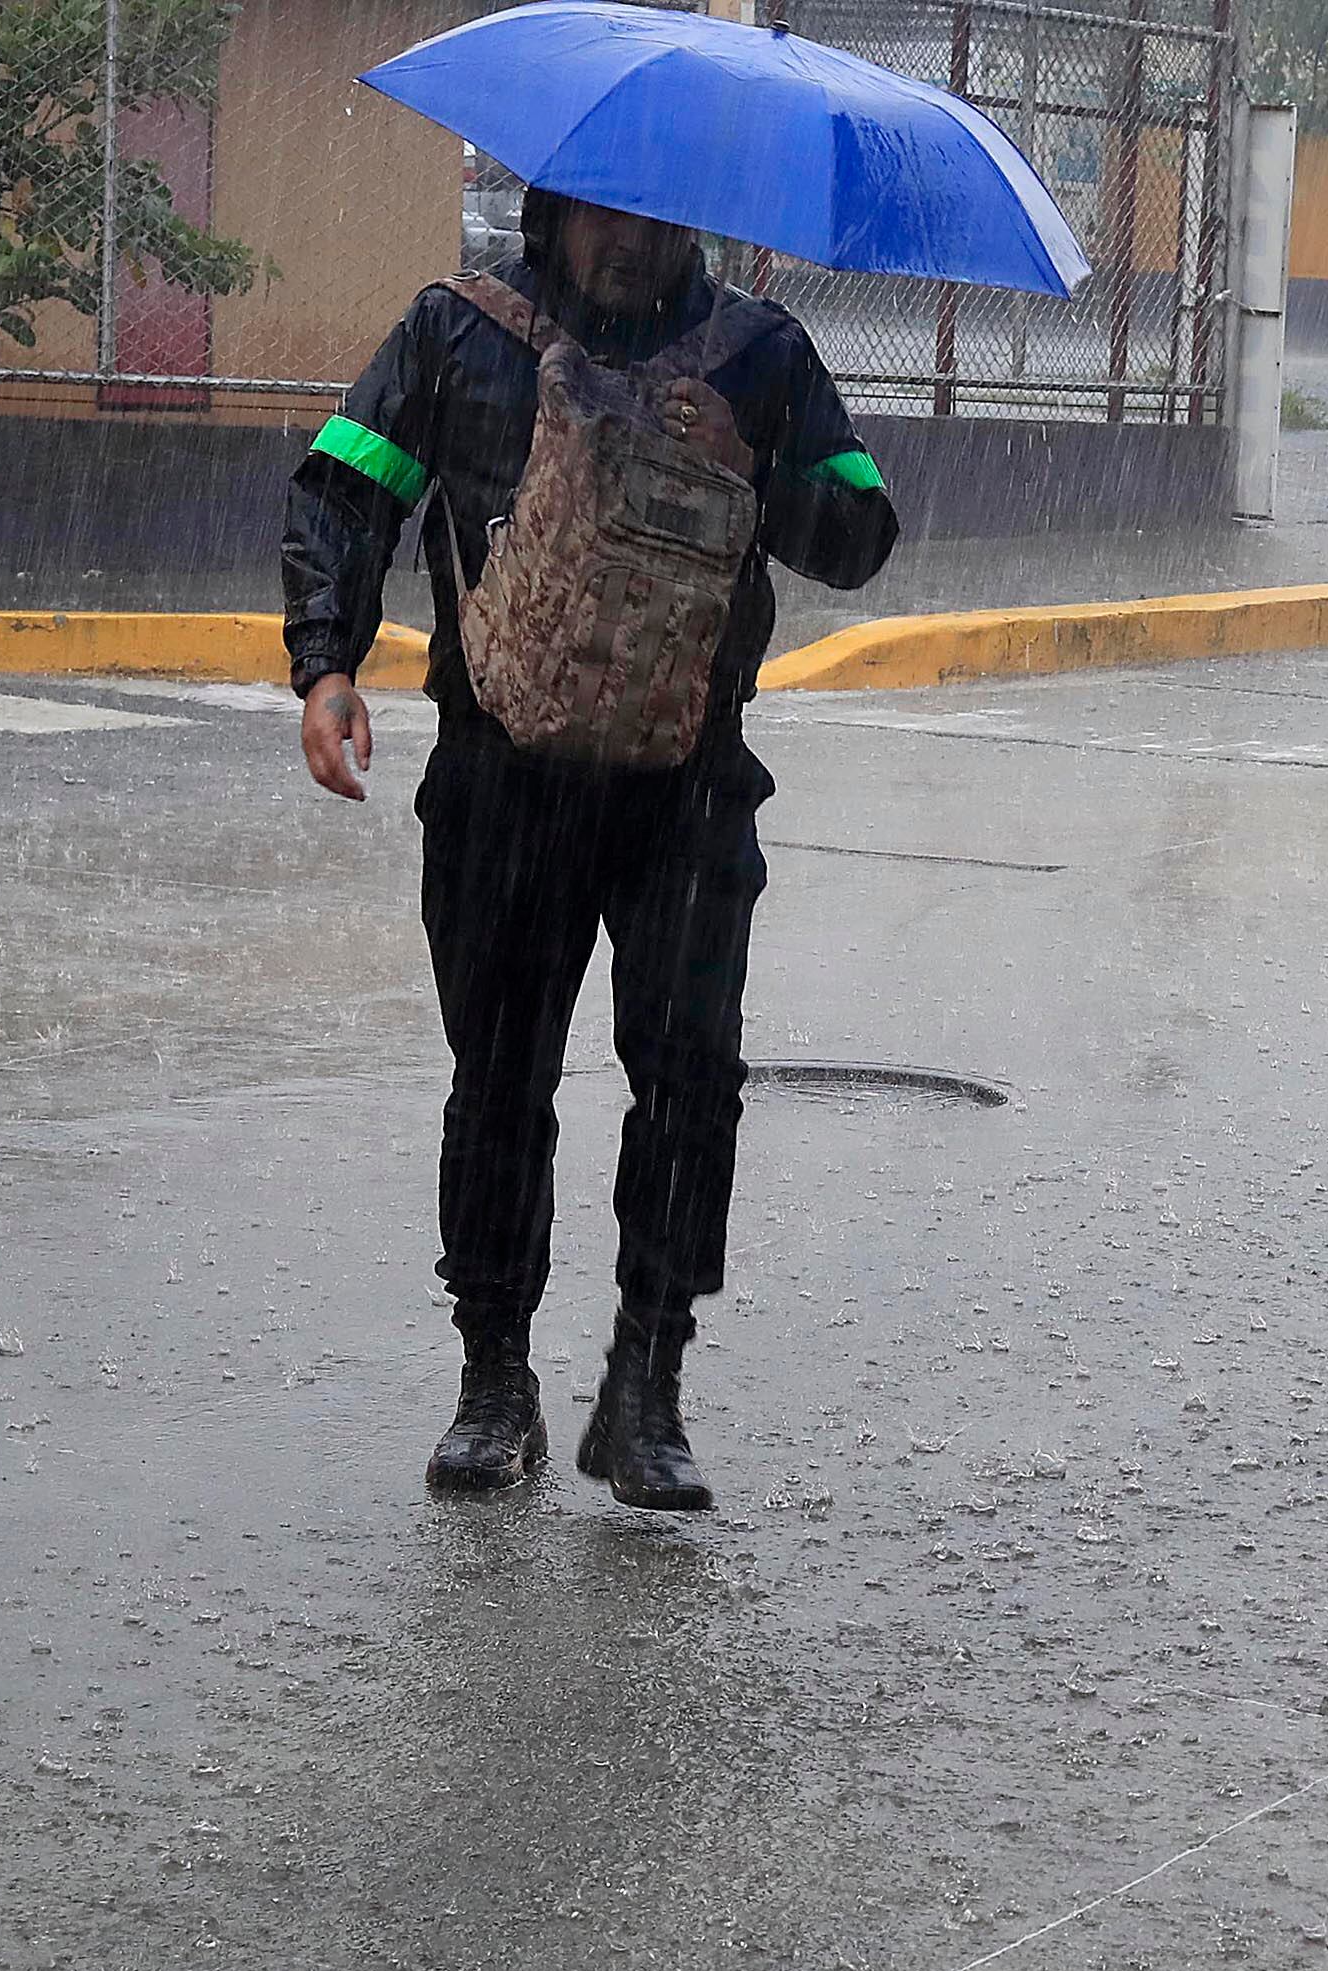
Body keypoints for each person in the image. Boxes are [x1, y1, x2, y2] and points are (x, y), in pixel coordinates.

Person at [284, 191, 898, 1508]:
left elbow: (860, 532)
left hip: (688, 790)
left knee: (690, 1082)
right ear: (554, 213)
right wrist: (324, 663)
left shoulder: (760, 355)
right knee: (500, 1082)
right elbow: (346, 486)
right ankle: (494, 1383)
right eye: (612, 220)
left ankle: (646, 1388)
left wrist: (761, 463)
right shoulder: (462, 331)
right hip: (502, 784)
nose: (638, 245)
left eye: (668, 224)